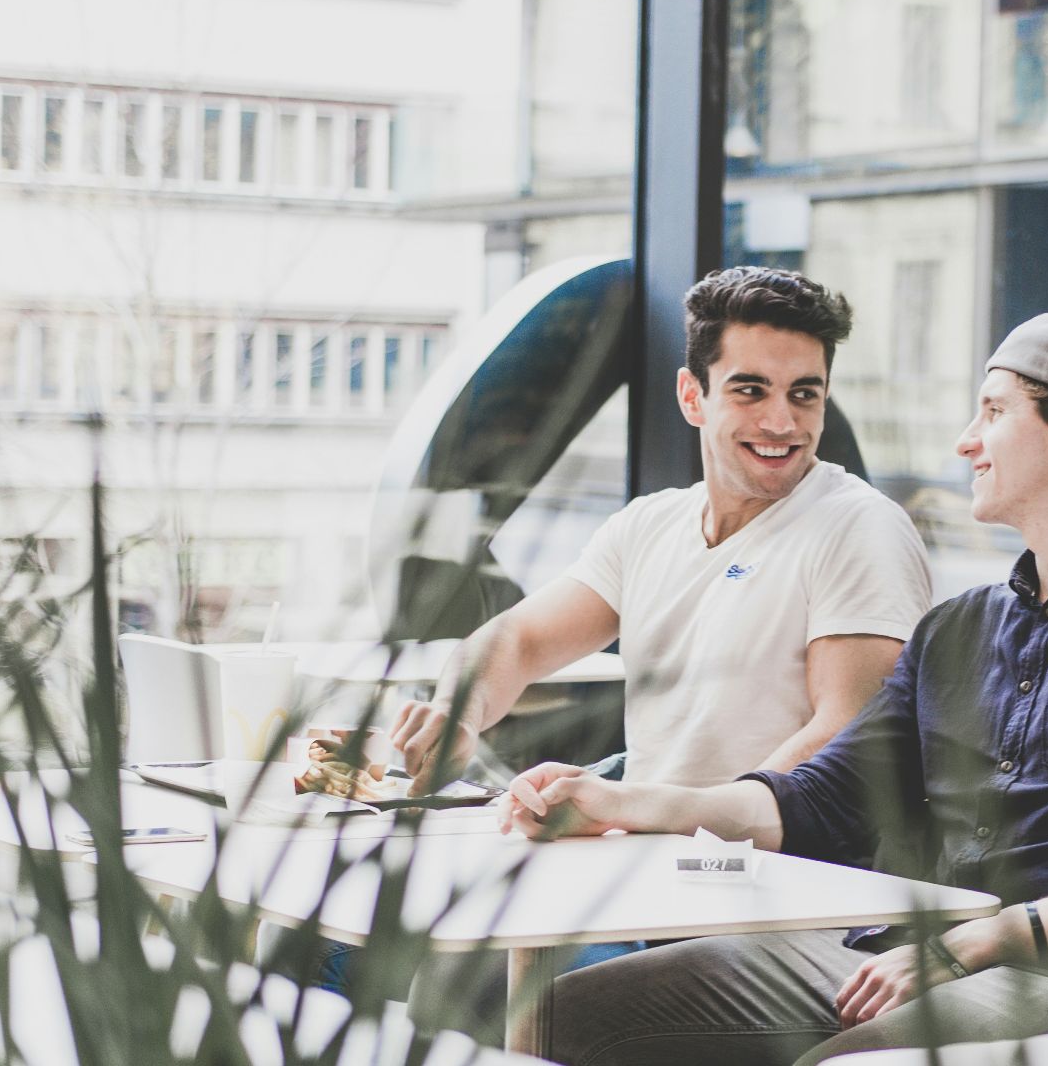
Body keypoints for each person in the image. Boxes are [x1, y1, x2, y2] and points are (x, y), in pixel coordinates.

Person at [505, 312, 1048, 1066]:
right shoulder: (959, 631)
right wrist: (623, 803)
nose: (967, 442)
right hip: (896, 947)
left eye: (992, 412)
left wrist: (974, 943)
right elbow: (819, 801)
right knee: (561, 1014)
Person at [390, 265, 933, 794]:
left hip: (782, 866)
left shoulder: (859, 526)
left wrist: (639, 806)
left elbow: (847, 739)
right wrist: (456, 711)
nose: (781, 423)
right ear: (692, 396)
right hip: (655, 848)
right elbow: (519, 639)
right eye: (750, 390)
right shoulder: (649, 525)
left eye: (803, 394)